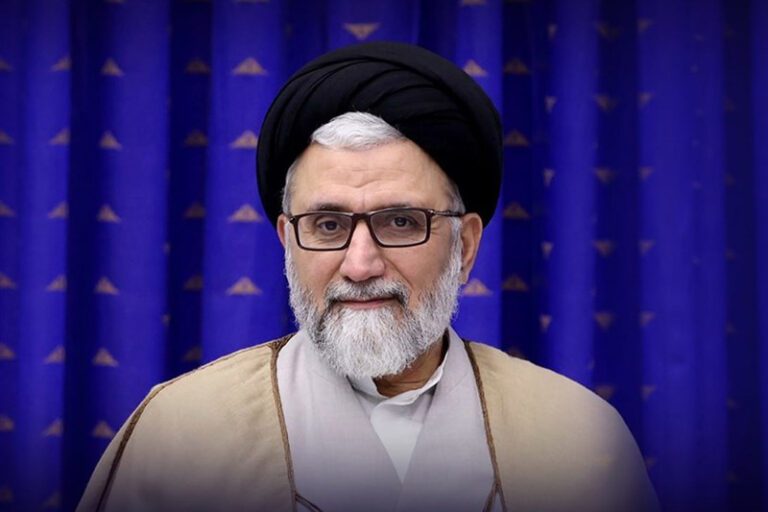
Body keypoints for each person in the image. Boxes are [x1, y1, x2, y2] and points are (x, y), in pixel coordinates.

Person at [78, 42, 660, 512]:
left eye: (401, 222)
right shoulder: (178, 437)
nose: (360, 265)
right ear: (287, 241)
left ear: (465, 246)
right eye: (328, 225)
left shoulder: (579, 441)